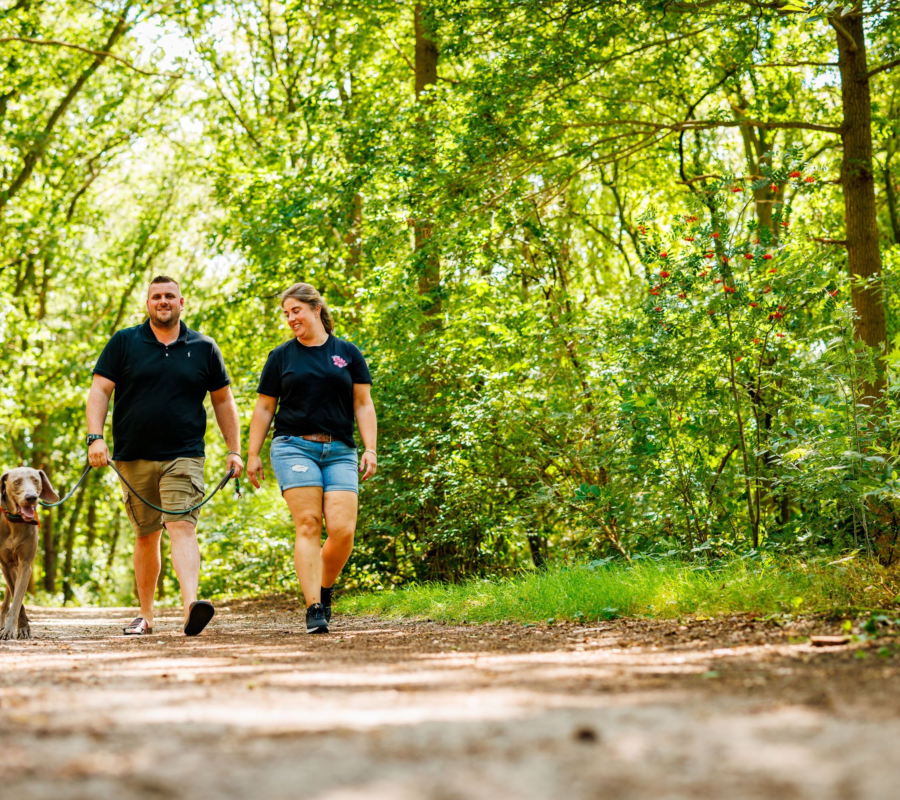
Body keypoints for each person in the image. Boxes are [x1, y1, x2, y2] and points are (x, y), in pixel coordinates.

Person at [86, 275, 243, 636]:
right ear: (147, 303)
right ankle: (146, 615)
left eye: (169, 296)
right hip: (133, 455)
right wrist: (96, 438)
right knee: (146, 535)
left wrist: (234, 451)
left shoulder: (204, 347)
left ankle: (192, 607)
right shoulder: (124, 342)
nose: (163, 301)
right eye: (156, 296)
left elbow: (223, 402)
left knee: (181, 524)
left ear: (182, 302)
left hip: (184, 455)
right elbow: (99, 391)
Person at [246, 283, 376, 634]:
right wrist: (252, 454)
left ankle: (324, 587)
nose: (290, 318)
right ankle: (313, 608)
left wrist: (371, 448)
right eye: (286, 314)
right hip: (293, 446)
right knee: (308, 523)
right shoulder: (281, 357)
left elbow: (363, 404)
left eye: (296, 311)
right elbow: (264, 408)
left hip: (340, 451)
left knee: (343, 531)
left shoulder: (347, 353)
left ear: (316, 309)